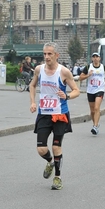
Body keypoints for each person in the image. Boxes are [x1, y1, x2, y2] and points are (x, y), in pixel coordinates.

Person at [29, 42, 80, 190]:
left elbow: (76, 90)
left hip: (59, 114)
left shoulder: (64, 72)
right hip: (44, 113)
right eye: (44, 54)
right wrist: (33, 102)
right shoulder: (39, 70)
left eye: (50, 54)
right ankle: (50, 161)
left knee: (56, 146)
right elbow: (32, 85)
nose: (46, 57)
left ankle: (57, 177)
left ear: (57, 55)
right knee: (41, 149)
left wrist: (67, 96)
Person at [79, 52, 105, 135]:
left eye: (97, 57)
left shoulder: (103, 67)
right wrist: (88, 75)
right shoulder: (88, 67)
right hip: (90, 90)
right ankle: (95, 124)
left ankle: (95, 126)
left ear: (99, 58)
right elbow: (80, 78)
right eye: (93, 57)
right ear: (92, 58)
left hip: (100, 89)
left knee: (97, 108)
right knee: (92, 110)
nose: (95, 58)